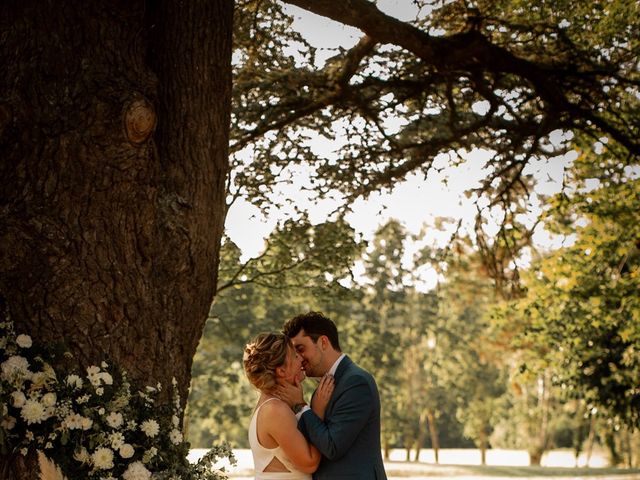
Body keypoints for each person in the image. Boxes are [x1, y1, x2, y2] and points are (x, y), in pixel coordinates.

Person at [278, 312, 387, 479]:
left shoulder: (356, 382)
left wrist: (301, 406)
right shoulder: (322, 388)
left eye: (300, 349)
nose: (298, 358)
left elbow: (332, 447)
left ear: (323, 342)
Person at [243, 332, 335, 479]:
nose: (301, 358)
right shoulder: (275, 410)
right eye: (294, 355)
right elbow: (310, 463)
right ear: (281, 371)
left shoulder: (274, 405)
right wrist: (316, 410)